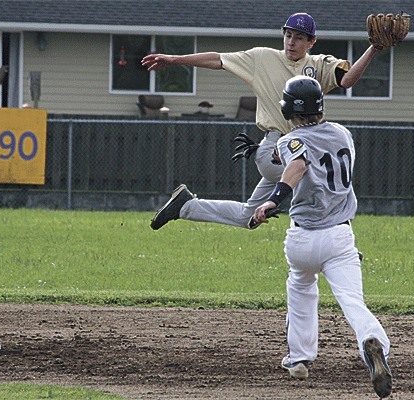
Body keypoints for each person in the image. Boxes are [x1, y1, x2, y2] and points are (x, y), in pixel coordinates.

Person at [142, 13, 381, 231]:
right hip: (277, 148)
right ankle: (337, 244)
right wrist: (175, 59)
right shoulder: (262, 58)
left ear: (311, 42)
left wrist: (373, 48)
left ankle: (186, 207)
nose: (291, 42)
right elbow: (218, 60)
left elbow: (347, 80)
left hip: (300, 147)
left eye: (299, 37)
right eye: (288, 35)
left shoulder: (319, 65)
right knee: (319, 177)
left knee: (249, 216)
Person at [252, 75, 392, 398]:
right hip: (339, 237)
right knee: (352, 300)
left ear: (287, 110)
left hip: (303, 239)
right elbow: (311, 153)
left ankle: (299, 359)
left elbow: (299, 164)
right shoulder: (343, 134)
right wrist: (285, 153)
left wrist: (274, 198)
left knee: (301, 287)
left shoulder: (289, 141)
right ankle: (373, 342)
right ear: (320, 106)